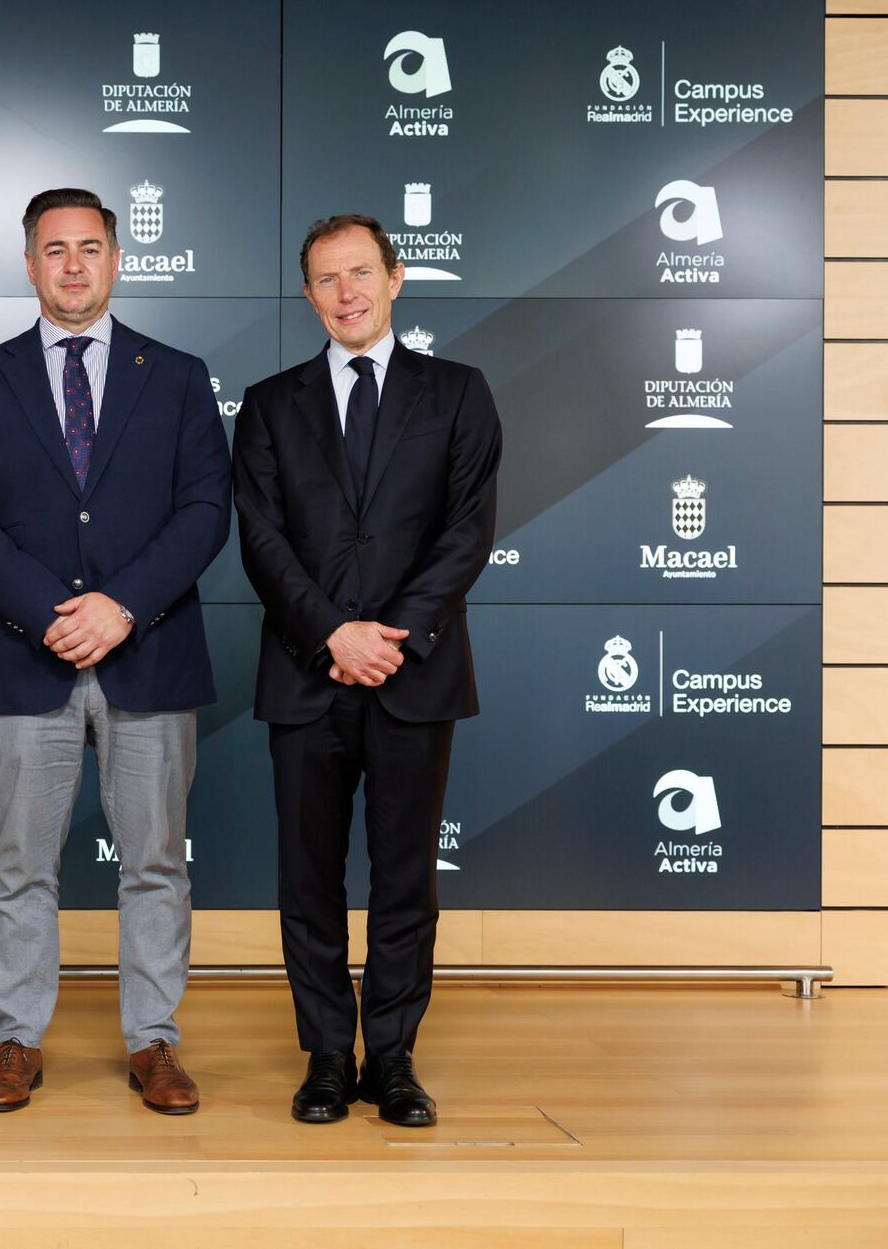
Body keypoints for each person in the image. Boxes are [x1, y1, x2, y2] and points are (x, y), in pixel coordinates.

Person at [0, 188, 231, 1116]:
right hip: (25, 656)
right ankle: (18, 1038)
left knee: (156, 863)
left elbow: (205, 510)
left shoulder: (176, 375)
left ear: (116, 259)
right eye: (54, 249)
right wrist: (52, 613)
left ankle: (154, 1041)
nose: (72, 265)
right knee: (22, 864)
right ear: (30, 264)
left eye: (89, 248)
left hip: (150, 652)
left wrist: (122, 606)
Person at [233, 214, 502, 1128]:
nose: (345, 292)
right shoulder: (269, 405)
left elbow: (467, 532)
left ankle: (391, 1055)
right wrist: (332, 635)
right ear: (308, 294)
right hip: (306, 675)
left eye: (360, 272)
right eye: (325, 278)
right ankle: (324, 1055)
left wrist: (391, 636)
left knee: (405, 878)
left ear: (395, 276)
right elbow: (262, 541)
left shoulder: (459, 392)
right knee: (308, 880)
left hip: (414, 674)